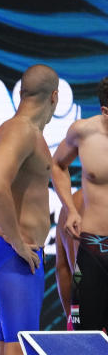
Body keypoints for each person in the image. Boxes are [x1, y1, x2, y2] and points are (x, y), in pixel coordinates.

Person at [0, 65, 78, 355]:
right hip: (15, 255)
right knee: (17, 352)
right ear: (55, 98)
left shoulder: (28, 132)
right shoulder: (20, 130)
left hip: (17, 255)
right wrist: (14, 239)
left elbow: (38, 179)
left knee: (8, 348)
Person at [52, 76, 108, 331]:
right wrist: (70, 209)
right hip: (94, 246)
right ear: (105, 112)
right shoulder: (83, 132)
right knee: (86, 336)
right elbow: (57, 165)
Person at [53, 189, 84, 329]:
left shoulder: (70, 206)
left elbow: (62, 269)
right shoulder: (99, 206)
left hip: (78, 310)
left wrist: (71, 317)